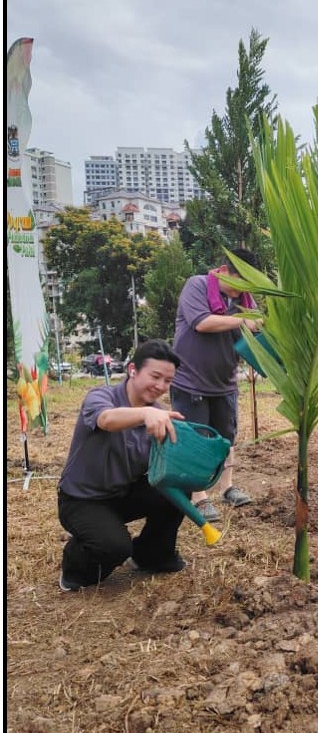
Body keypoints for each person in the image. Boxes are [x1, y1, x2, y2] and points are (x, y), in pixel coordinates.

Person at [58, 339, 186, 591]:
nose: (161, 386)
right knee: (113, 546)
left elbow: (164, 464)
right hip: (82, 499)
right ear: (133, 370)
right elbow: (106, 420)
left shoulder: (158, 414)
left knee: (176, 491)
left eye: (168, 381)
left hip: (122, 493)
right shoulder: (102, 396)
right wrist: (145, 414)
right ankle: (75, 568)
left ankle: (151, 556)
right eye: (155, 376)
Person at [171, 248, 260, 523]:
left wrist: (255, 360)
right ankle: (200, 496)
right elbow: (202, 323)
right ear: (223, 270)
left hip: (225, 382)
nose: (239, 292)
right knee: (197, 439)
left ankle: (228, 487)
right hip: (191, 381)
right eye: (238, 283)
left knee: (226, 438)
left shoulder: (245, 300)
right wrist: (244, 320)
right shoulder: (196, 285)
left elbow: (252, 332)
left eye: (247, 285)